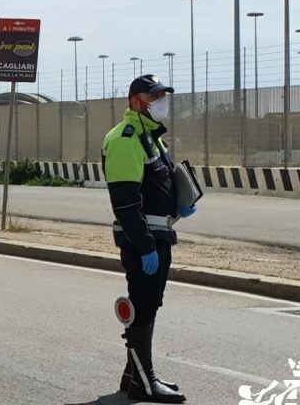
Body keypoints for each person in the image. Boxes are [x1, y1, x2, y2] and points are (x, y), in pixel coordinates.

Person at [101, 74, 186, 404]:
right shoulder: (127, 138)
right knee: (144, 304)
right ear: (136, 101)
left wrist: (182, 202)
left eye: (164, 96)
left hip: (158, 233)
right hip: (143, 238)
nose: (162, 101)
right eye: (155, 97)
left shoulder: (152, 138)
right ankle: (144, 382)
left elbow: (158, 184)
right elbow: (125, 201)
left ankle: (133, 376)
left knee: (148, 304)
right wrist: (145, 245)